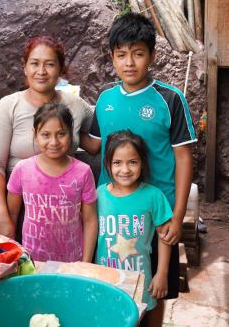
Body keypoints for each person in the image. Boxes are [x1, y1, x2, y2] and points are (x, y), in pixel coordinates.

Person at [82, 12, 196, 325]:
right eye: (121, 55)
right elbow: (93, 145)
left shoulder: (170, 99)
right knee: (109, 287)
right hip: (112, 216)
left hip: (159, 216)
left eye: (138, 54)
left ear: (152, 56)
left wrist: (178, 214)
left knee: (156, 290)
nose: (129, 62)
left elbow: (184, 158)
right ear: (112, 57)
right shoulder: (104, 100)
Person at [0, 36, 93, 240]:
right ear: (25, 68)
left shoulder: (78, 107)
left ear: (61, 69)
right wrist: (2, 216)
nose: (41, 71)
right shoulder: (8, 107)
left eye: (50, 64)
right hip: (19, 208)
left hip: (65, 213)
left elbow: (93, 140)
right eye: (34, 63)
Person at [95, 130, 172, 326]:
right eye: (117, 163)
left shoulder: (153, 196)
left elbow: (165, 237)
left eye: (132, 162)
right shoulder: (98, 195)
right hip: (105, 278)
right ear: (108, 165)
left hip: (140, 280)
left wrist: (161, 273)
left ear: (143, 163)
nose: (125, 169)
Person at [6, 102, 98, 262]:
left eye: (61, 133)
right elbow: (12, 216)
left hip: (72, 263)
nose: (54, 142)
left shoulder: (83, 172)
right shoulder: (22, 169)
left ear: (71, 133)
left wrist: (86, 263)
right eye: (46, 135)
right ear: (35, 134)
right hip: (32, 263)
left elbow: (90, 220)